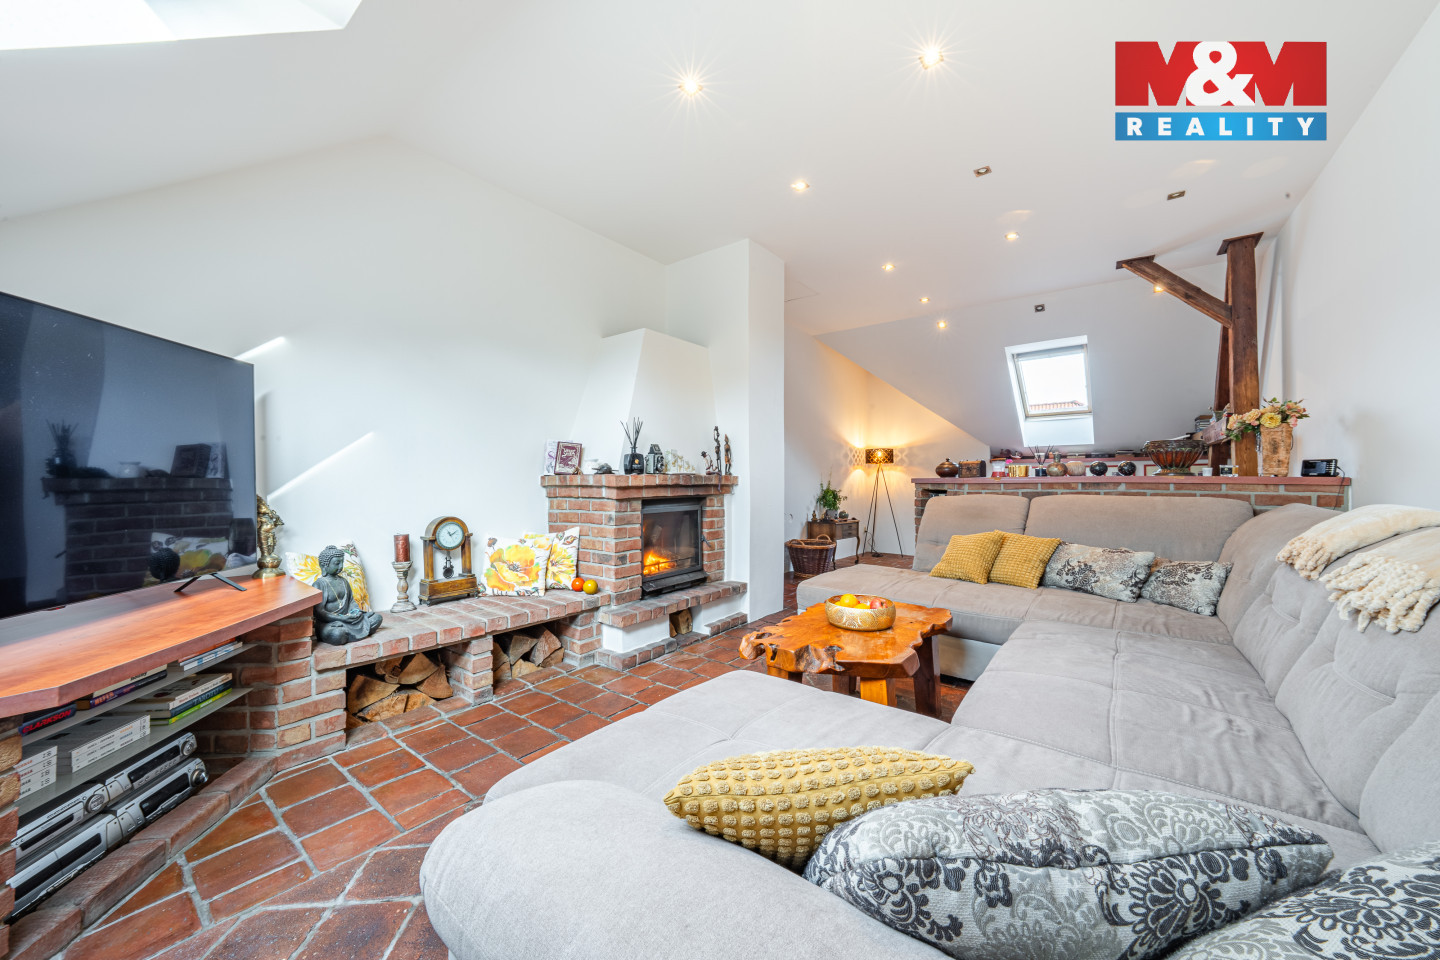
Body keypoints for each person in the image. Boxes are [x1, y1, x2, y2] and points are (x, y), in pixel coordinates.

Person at [313, 545, 382, 644]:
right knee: (337, 634)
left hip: (348, 618)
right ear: (325, 565)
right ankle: (347, 634)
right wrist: (340, 618)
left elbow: (351, 601)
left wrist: (356, 612)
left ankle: (350, 633)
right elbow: (319, 612)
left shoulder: (344, 581)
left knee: (377, 618)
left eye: (342, 562)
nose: (341, 566)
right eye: (337, 563)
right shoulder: (319, 584)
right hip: (329, 622)